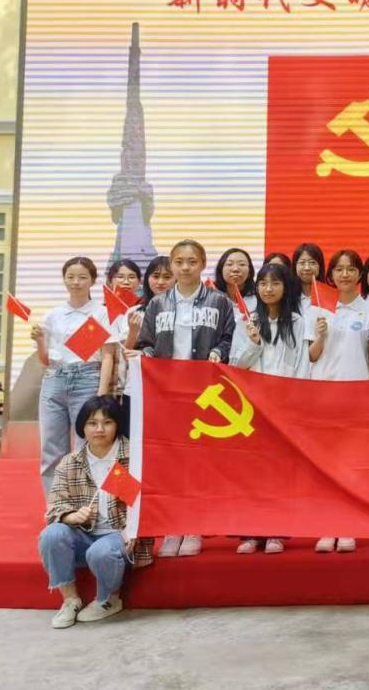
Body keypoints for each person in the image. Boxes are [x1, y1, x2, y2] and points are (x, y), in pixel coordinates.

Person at [137, 239, 236, 558]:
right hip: (167, 393)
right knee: (171, 461)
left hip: (204, 393)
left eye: (192, 261)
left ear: (203, 264)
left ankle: (194, 526)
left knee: (198, 461)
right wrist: (145, 357)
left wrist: (218, 352)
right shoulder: (158, 304)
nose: (185, 267)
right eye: (179, 262)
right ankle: (173, 527)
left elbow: (229, 338)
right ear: (171, 265)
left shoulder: (219, 301)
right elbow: (146, 342)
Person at [38, 396, 153, 628]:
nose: (99, 429)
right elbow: (55, 506)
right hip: (83, 535)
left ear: (117, 425)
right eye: (92, 423)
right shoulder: (70, 462)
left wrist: (133, 530)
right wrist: (71, 516)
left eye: (107, 422)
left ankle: (109, 599)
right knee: (51, 534)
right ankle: (70, 600)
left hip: (120, 537)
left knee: (101, 552)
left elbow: (147, 504)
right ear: (82, 426)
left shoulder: (134, 458)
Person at [230, 262, 308, 555]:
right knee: (251, 472)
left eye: (275, 283)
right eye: (263, 283)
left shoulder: (297, 323)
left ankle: (277, 530)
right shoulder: (246, 321)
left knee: (280, 471)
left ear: (286, 287)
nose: (268, 289)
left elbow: (302, 366)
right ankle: (251, 532)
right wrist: (253, 344)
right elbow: (235, 365)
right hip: (251, 409)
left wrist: (293, 405)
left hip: (285, 408)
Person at [307, 249, 369, 554]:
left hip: (356, 394)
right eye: (339, 269)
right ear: (330, 275)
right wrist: (321, 336)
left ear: (360, 274)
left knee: (352, 463)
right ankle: (328, 524)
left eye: (351, 269)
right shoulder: (317, 307)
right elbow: (311, 356)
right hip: (322, 394)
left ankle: (349, 525)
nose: (345, 274)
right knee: (326, 464)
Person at [33, 257, 117, 493]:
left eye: (82, 277)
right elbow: (45, 360)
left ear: (92, 280)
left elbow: (108, 356)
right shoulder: (54, 315)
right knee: (51, 447)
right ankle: (56, 505)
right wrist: (40, 341)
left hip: (87, 379)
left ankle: (84, 504)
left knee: (86, 444)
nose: (76, 282)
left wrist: (101, 395)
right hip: (55, 379)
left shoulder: (101, 313)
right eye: (70, 277)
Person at [104, 259, 143, 397]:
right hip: (106, 382)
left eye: (132, 277)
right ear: (110, 281)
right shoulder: (101, 312)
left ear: (139, 282)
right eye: (120, 277)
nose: (126, 282)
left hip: (135, 383)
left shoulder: (145, 310)